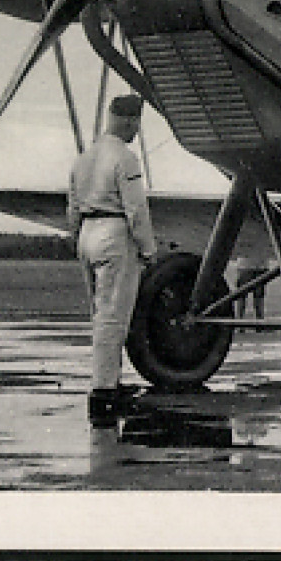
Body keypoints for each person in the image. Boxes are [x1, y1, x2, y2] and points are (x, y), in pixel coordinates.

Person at [67, 93, 158, 426]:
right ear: (129, 120)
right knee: (113, 317)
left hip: (87, 234)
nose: (136, 130)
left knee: (99, 314)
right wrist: (148, 250)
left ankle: (108, 382)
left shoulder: (84, 158)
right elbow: (136, 210)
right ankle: (104, 392)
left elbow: (72, 208)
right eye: (136, 123)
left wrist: (78, 239)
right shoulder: (126, 158)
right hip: (113, 233)